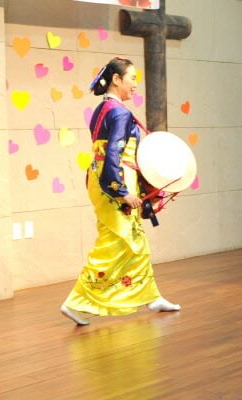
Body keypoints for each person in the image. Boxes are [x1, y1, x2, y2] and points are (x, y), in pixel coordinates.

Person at [60, 57, 180, 326]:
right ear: (116, 79)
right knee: (115, 242)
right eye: (132, 78)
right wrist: (122, 192)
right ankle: (76, 301)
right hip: (115, 181)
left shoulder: (102, 109)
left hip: (99, 178)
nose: (136, 84)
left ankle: (151, 296)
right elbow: (113, 154)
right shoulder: (121, 113)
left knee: (135, 241)